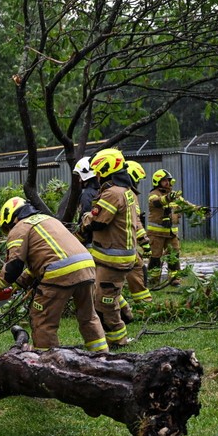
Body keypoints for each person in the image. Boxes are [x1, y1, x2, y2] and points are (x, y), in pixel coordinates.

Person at [0, 196, 107, 353]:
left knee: (42, 320)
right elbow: (46, 259)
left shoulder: (20, 227)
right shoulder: (49, 220)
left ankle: (48, 362)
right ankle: (102, 356)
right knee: (88, 317)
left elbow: (13, 268)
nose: (8, 232)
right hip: (86, 266)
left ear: (12, 217)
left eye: (7, 228)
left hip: (59, 272)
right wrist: (18, 285)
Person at [79, 148, 140, 348]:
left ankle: (118, 340)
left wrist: (85, 218)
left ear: (106, 169)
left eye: (98, 171)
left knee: (104, 301)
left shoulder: (113, 193)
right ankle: (127, 314)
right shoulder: (124, 190)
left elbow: (97, 222)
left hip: (113, 258)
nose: (96, 176)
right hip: (115, 256)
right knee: (107, 291)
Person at [147, 170, 206, 287]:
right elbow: (157, 203)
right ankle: (153, 281)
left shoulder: (174, 195)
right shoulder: (154, 194)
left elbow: (186, 205)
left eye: (168, 180)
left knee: (174, 256)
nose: (167, 183)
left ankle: (174, 280)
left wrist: (199, 209)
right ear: (157, 182)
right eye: (164, 181)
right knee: (155, 258)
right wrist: (169, 197)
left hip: (172, 234)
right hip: (156, 233)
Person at [122, 160, 152, 308]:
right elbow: (136, 222)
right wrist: (145, 241)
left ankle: (142, 303)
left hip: (121, 242)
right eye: (138, 180)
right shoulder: (129, 194)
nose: (138, 183)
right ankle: (144, 305)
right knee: (137, 270)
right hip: (125, 243)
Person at [74, 156, 98, 222]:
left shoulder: (87, 195)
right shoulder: (103, 190)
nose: (79, 180)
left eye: (80, 176)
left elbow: (84, 218)